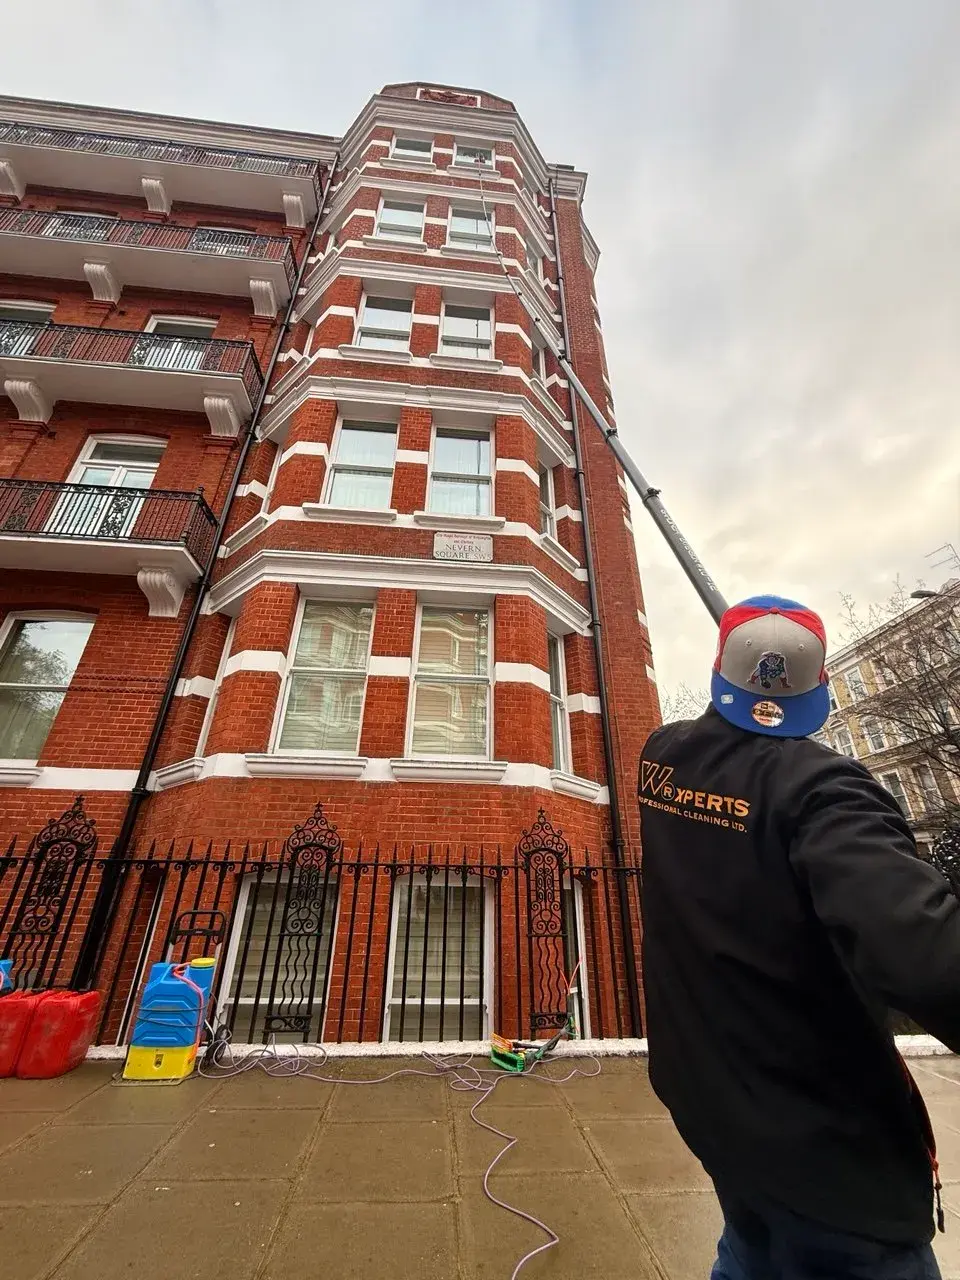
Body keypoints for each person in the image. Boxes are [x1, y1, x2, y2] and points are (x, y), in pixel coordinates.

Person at [638, 594, 960, 1280]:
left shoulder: (661, 761)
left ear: (718, 667)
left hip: (717, 1113)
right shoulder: (825, 790)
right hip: (831, 1160)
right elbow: (929, 963)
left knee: (750, 1248)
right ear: (820, 689)